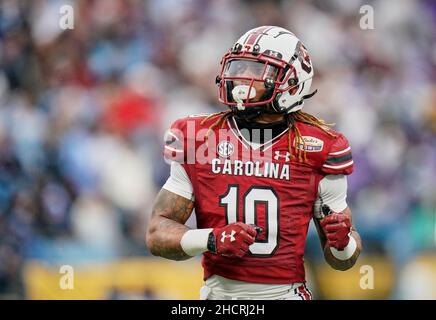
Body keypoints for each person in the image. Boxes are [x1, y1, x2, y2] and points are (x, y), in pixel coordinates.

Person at [146, 26, 362, 300]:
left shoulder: (316, 147)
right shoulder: (199, 139)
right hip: (217, 296)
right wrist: (212, 239)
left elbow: (341, 260)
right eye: (241, 67)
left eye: (258, 71)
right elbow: (156, 234)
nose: (242, 78)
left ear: (292, 84)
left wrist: (342, 243)